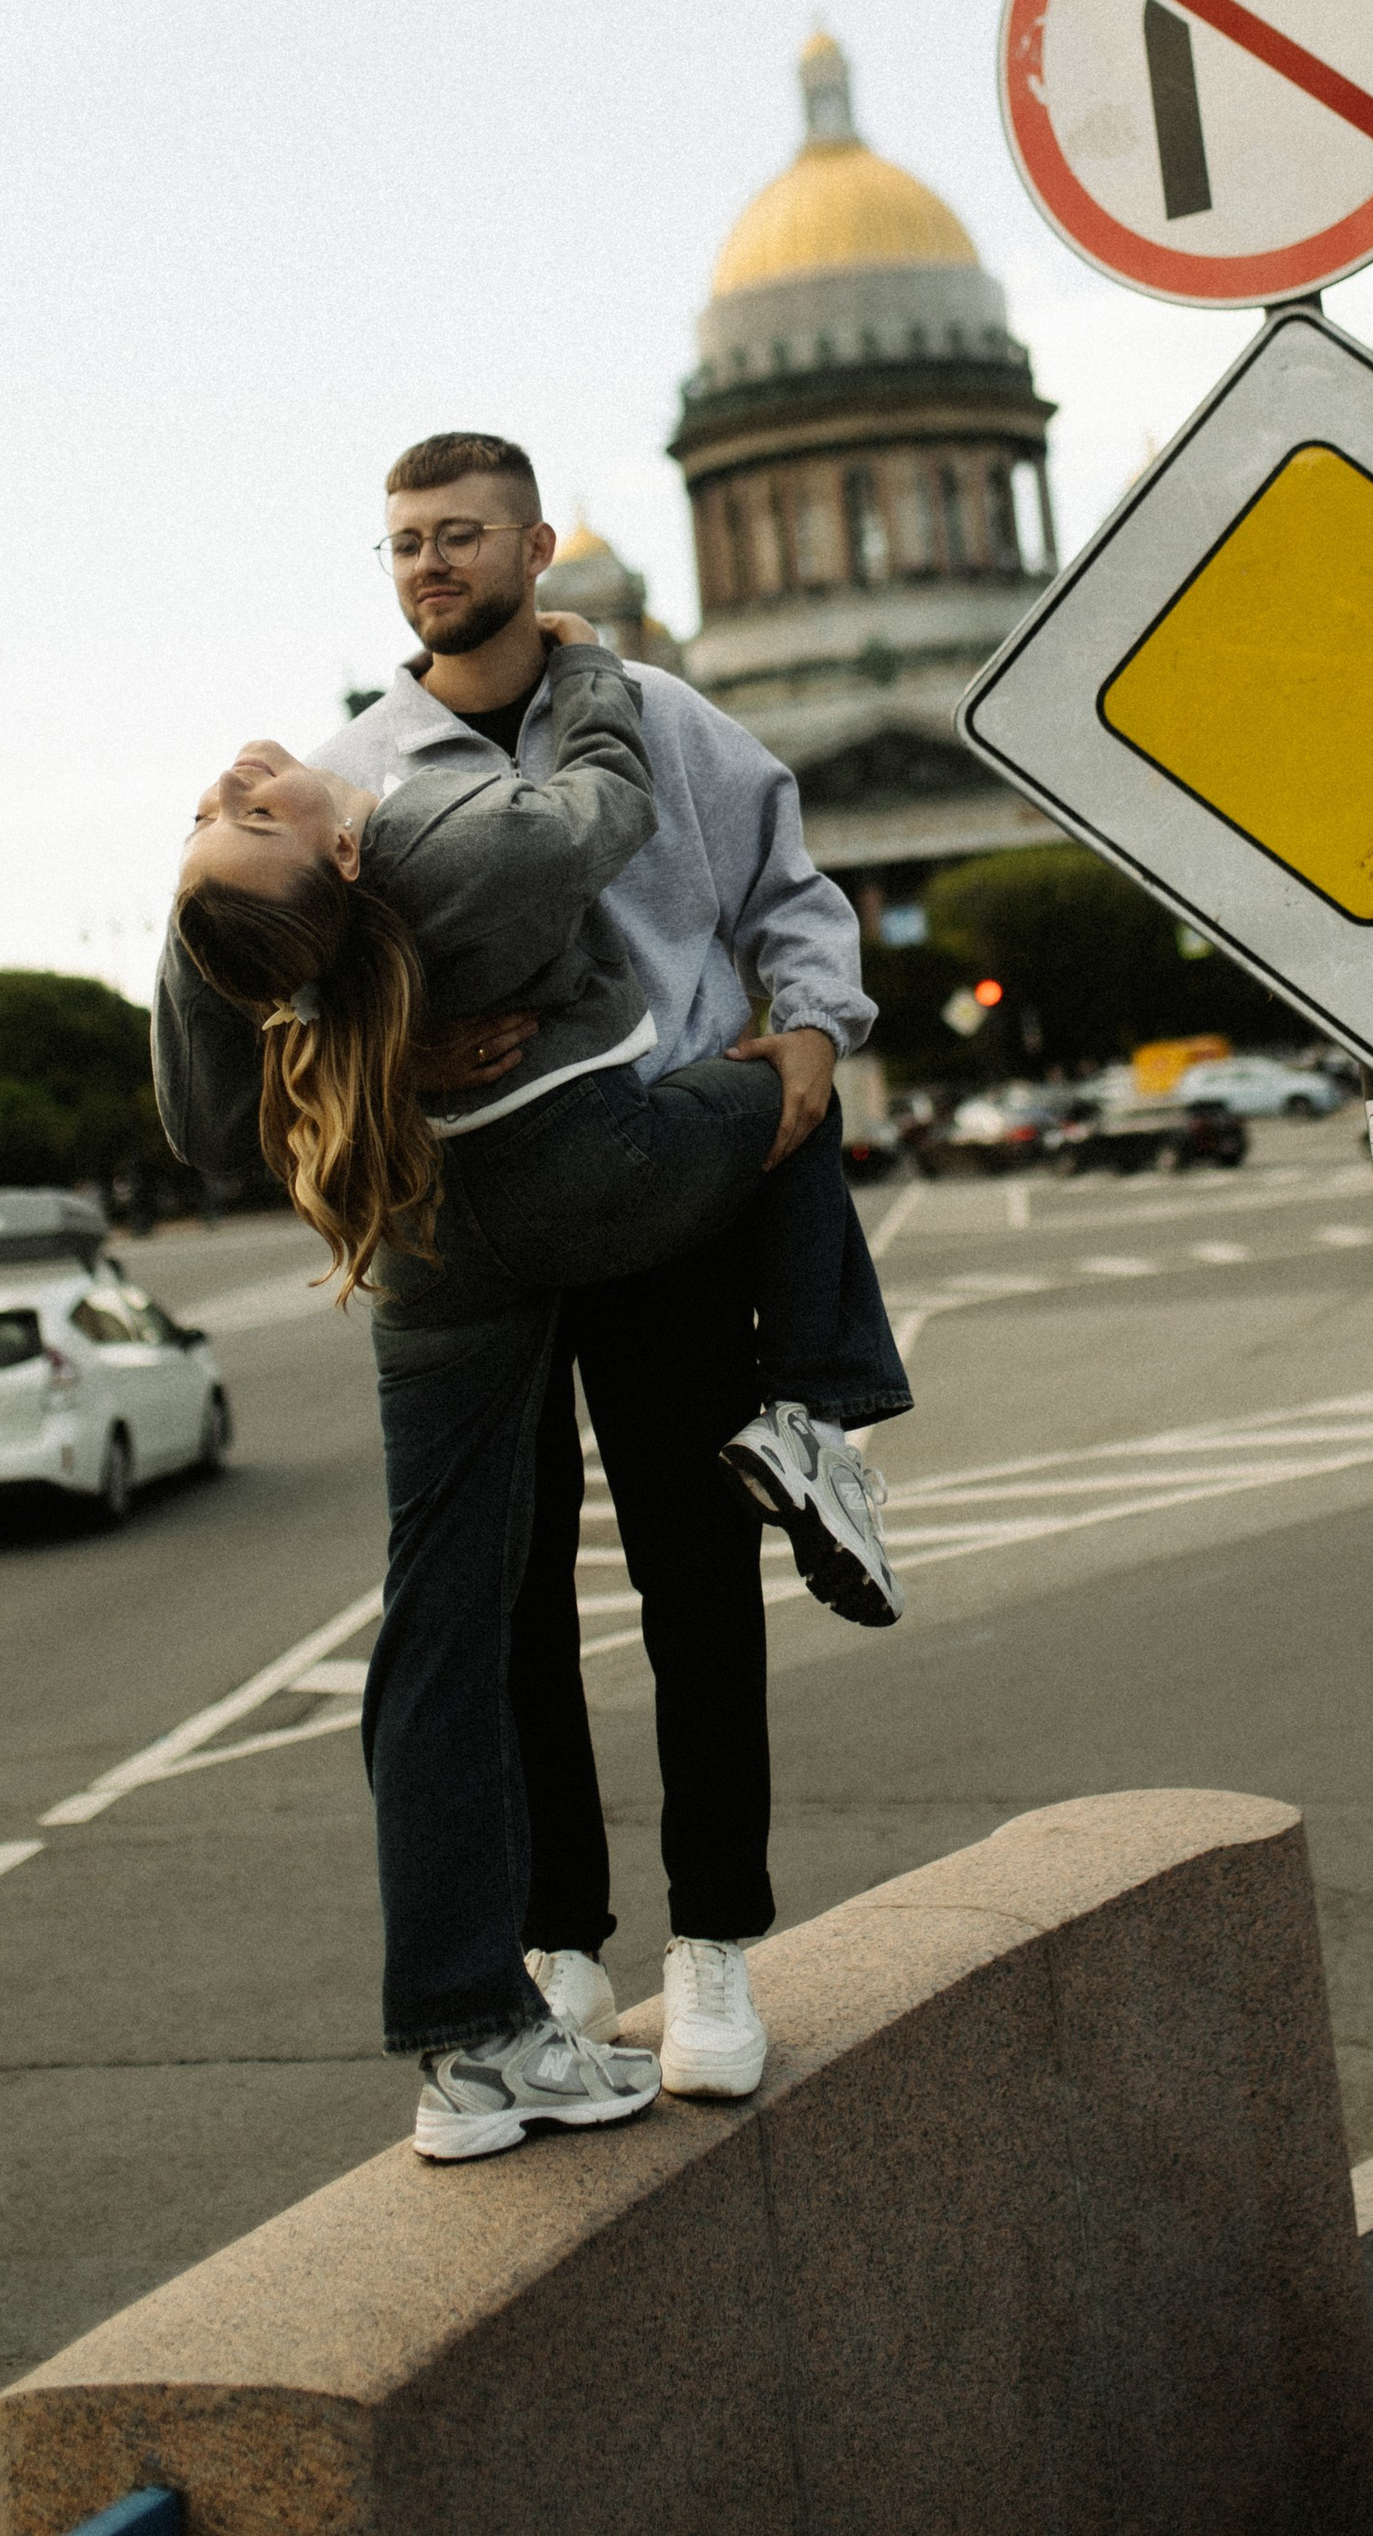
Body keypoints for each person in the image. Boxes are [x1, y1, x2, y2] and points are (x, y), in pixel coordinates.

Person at [154, 623, 906, 2168]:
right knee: (786, 1085)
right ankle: (821, 1407)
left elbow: (209, 1118)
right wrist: (588, 672)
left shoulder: (245, 902)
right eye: (239, 814)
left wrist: (336, 1024)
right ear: (345, 848)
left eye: (462, 530)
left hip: (428, 1246)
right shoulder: (411, 802)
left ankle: (480, 2029)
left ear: (528, 542)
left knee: (451, 1625)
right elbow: (603, 806)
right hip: (596, 1179)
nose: (233, 783)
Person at [309, 431, 888, 2110]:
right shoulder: (363, 767)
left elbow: (789, 894)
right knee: (508, 1613)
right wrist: (404, 1060)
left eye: (461, 533)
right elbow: (309, 1000)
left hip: (661, 1192)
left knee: (695, 1578)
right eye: (404, 539)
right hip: (477, 1218)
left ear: (538, 544)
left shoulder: (670, 722)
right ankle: (563, 1938)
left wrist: (814, 1037)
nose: (430, 562)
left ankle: (713, 1944)